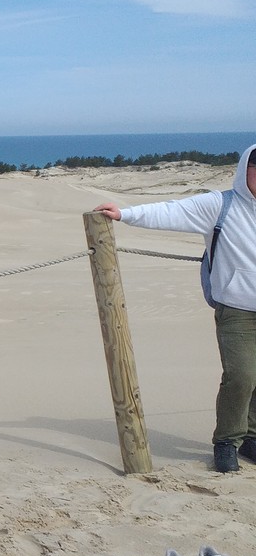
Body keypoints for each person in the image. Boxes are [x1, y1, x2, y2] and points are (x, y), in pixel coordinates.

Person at [94, 145, 256, 473]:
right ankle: (227, 441)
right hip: (237, 309)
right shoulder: (220, 205)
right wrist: (125, 214)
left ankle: (251, 437)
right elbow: (172, 211)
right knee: (241, 376)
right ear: (245, 169)